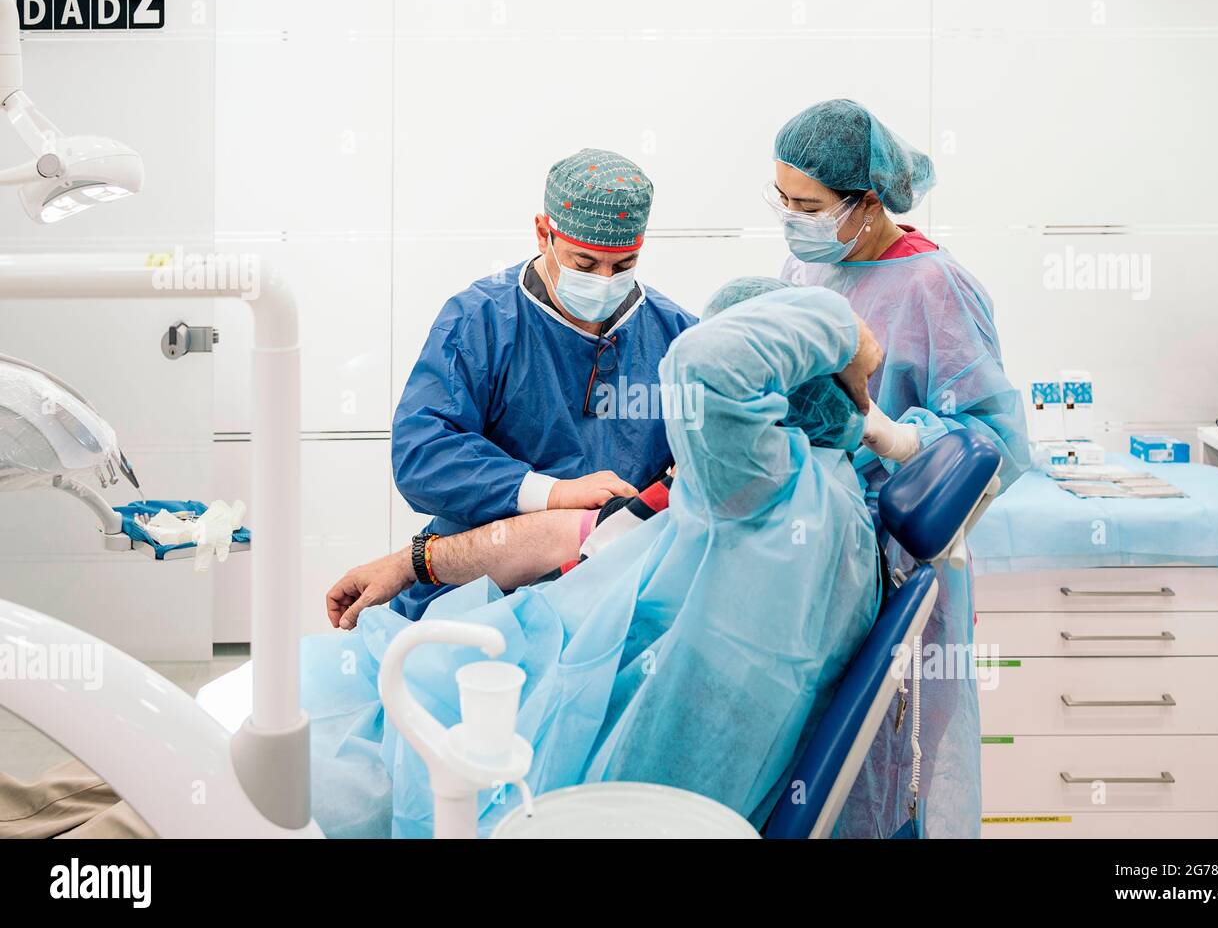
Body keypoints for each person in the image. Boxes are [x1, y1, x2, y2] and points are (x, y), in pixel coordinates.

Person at [300, 277, 900, 837]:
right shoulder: (819, 493)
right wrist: (411, 562)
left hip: (561, 754)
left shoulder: (753, 489)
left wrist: (842, 332)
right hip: (569, 697)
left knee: (315, 746)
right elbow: (582, 535)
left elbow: (710, 365)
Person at [765, 98, 1031, 838]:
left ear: (868, 202)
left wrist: (893, 436)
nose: (790, 218)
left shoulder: (934, 288)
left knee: (891, 773)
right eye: (781, 198)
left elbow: (999, 444)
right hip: (823, 552)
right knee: (823, 772)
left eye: (808, 205)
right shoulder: (807, 264)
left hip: (906, 574)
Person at [389, 148, 696, 620]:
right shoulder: (482, 322)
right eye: (585, 263)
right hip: (478, 587)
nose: (605, 280)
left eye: (623, 264)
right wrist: (551, 493)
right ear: (542, 233)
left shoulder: (675, 335)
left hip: (608, 591)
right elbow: (422, 454)